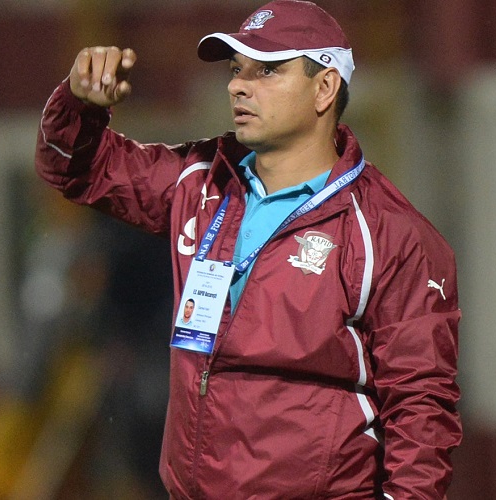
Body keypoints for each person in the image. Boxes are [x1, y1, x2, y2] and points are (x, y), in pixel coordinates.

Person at [35, 1, 461, 497]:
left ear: (325, 87)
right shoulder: (200, 181)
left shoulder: (392, 234)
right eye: (237, 70)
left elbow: (421, 405)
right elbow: (73, 168)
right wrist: (79, 104)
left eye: (268, 71)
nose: (238, 86)